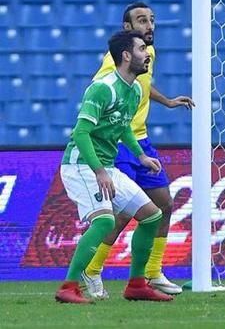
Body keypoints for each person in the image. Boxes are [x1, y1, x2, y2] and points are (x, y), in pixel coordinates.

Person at [83, 2, 193, 298]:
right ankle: (91, 271)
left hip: (141, 141)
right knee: (121, 214)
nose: (150, 25)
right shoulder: (111, 63)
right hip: (119, 144)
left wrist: (167, 101)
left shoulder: (147, 53)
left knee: (164, 205)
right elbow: (100, 92)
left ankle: (153, 272)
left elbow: (142, 85)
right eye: (142, 20)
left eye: (152, 20)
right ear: (128, 27)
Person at [56, 30, 173, 304]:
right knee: (105, 220)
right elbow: (81, 133)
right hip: (81, 165)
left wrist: (140, 156)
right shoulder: (103, 87)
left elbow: (123, 128)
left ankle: (136, 285)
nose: (148, 54)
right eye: (142, 49)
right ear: (126, 55)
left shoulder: (133, 89)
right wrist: (98, 171)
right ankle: (68, 286)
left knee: (151, 216)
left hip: (106, 165)